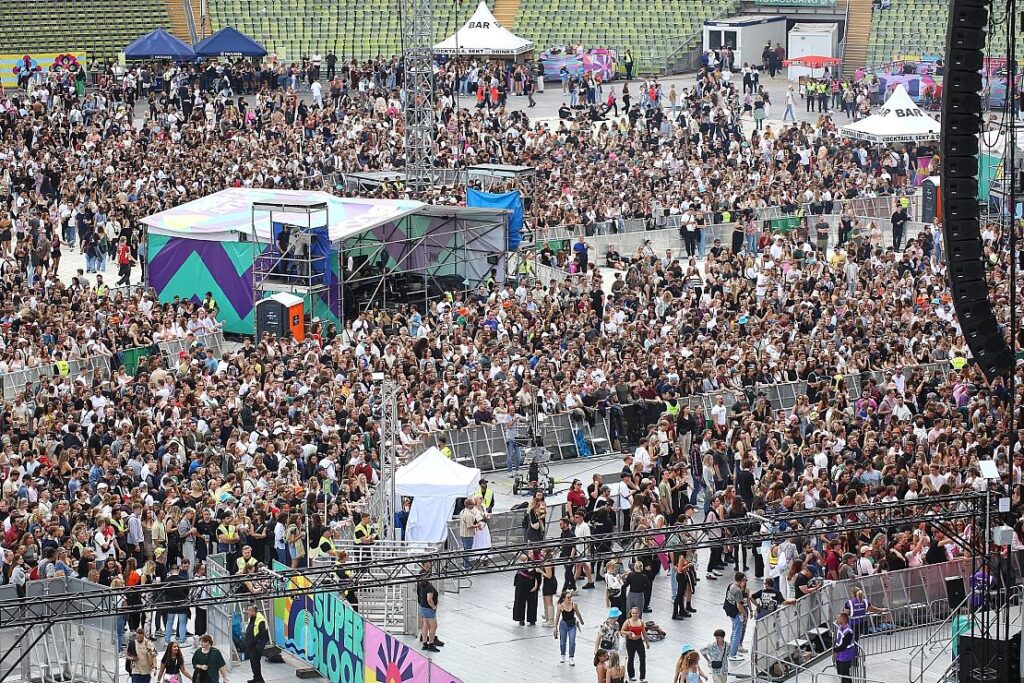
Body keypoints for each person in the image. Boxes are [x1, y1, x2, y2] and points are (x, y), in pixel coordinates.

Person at [552, 589, 584, 665]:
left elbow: (578, 613)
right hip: (563, 625)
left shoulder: (574, 605)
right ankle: (563, 654)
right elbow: (557, 617)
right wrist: (555, 627)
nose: (570, 599)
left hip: (572, 625)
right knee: (563, 641)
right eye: (568, 598)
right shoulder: (560, 606)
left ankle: (571, 657)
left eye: (570, 597)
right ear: (564, 598)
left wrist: (581, 621)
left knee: (572, 641)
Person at [619, 605, 649, 683]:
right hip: (630, 642)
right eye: (633, 613)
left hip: (639, 641)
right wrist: (628, 632)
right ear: (631, 614)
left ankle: (642, 676)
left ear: (638, 614)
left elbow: (644, 632)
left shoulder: (641, 622)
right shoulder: (628, 622)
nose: (634, 615)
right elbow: (622, 631)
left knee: (642, 658)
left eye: (636, 613)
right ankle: (631, 675)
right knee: (631, 658)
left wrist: (647, 642)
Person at [725, 572, 750, 661]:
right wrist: (745, 614)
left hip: (729, 609)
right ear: (741, 580)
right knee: (737, 633)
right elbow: (739, 606)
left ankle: (731, 648)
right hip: (735, 612)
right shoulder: (738, 591)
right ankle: (733, 654)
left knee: (734, 630)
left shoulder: (731, 585)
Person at [242, 604, 270, 683]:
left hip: (256, 647)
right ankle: (256, 678)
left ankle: (259, 680)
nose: (247, 612)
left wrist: (258, 646)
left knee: (255, 662)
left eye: (249, 610)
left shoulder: (260, 620)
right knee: (253, 662)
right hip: (251, 646)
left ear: (253, 611)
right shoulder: (251, 618)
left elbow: (263, 635)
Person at [417, 574, 442, 652]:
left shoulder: (420, 585)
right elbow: (429, 599)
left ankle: (425, 643)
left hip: (423, 607)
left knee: (425, 625)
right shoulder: (429, 587)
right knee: (433, 626)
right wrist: (434, 607)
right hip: (429, 608)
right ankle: (431, 644)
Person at [512, 555, 540, 626]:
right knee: (520, 601)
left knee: (532, 602)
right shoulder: (526, 559)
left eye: (531, 552)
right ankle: (520, 619)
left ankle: (532, 619)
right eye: (529, 552)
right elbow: (518, 555)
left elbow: (538, 576)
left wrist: (536, 586)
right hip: (521, 582)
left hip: (532, 582)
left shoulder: (538, 561)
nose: (530, 553)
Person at [833, 611, 858, 683]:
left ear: (843, 620)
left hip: (846, 654)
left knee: (845, 673)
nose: (837, 620)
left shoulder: (848, 632)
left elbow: (844, 645)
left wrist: (835, 650)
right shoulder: (840, 628)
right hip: (840, 653)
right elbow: (838, 639)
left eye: (838, 618)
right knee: (841, 672)